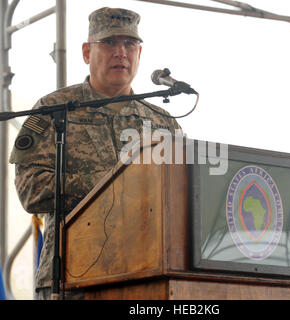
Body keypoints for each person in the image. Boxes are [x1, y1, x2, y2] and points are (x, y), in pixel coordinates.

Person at [9, 7, 181, 300]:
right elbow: (31, 190)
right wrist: (115, 183)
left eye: (129, 44)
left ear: (140, 53)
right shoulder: (53, 110)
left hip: (147, 276)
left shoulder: (163, 122)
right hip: (72, 279)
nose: (120, 52)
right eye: (109, 42)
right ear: (87, 52)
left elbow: (180, 198)